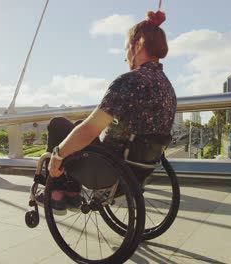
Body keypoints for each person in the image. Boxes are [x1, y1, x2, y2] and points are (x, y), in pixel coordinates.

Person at [36, 10, 176, 215]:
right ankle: (71, 192)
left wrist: (57, 156)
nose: (126, 55)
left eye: (127, 48)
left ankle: (58, 193)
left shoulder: (130, 81)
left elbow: (90, 129)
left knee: (59, 125)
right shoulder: (168, 88)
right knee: (76, 127)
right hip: (137, 172)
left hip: (107, 171)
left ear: (137, 46)